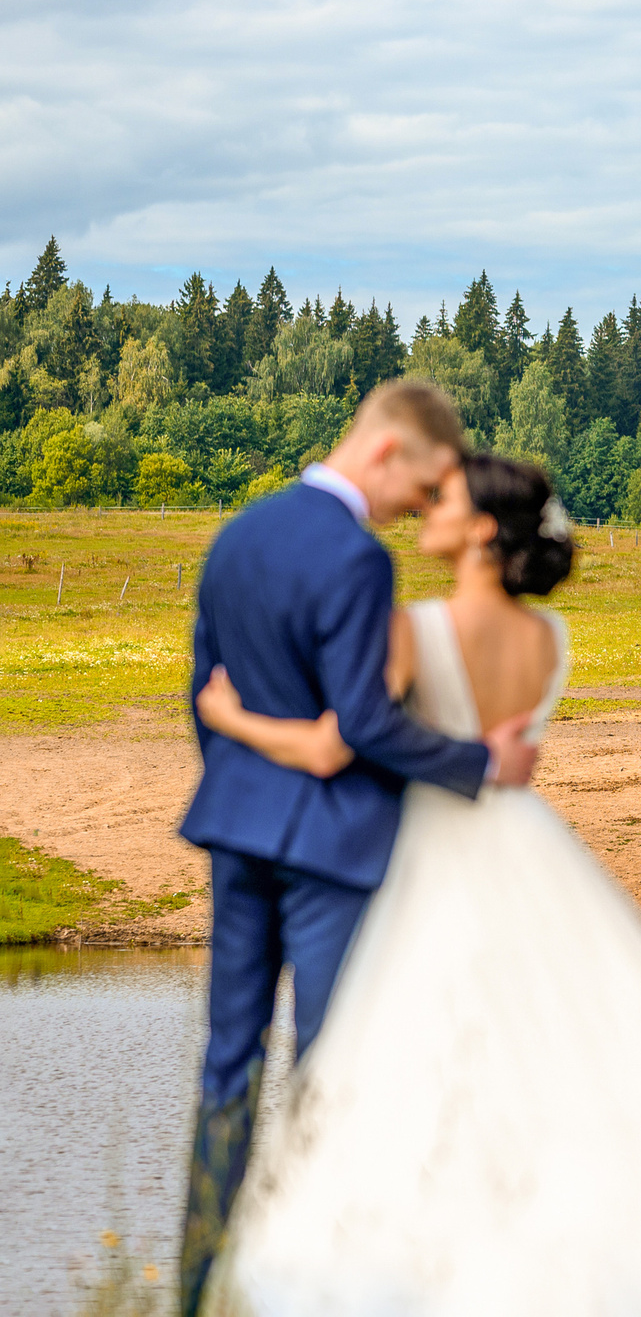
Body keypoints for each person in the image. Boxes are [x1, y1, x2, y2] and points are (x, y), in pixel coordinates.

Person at [197, 450, 641, 1316]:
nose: (425, 509)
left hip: (426, 851)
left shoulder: (414, 627)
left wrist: (231, 718)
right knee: (532, 1048)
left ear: (481, 529)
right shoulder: (549, 640)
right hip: (525, 847)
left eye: (443, 500)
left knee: (404, 1053)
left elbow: (336, 745)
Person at [178, 382, 540, 1316]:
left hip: (236, 827)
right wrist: (478, 763)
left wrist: (242, 776)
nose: (415, 509)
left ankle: (197, 1288)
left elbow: (203, 692)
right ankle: (306, 1285)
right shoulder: (355, 558)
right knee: (327, 1068)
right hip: (331, 846)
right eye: (418, 490)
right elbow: (369, 724)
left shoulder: (238, 533)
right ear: (386, 454)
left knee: (228, 1068)